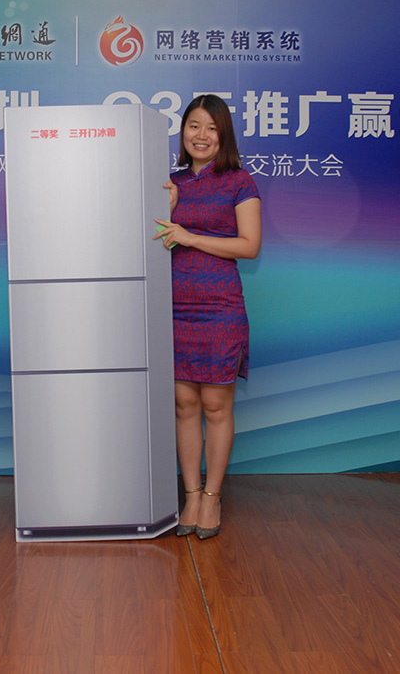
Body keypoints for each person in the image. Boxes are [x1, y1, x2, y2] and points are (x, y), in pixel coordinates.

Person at [153, 94, 262, 540]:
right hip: (173, 307)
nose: (201, 135)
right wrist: (166, 207)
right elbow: (145, 240)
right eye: (193, 126)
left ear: (224, 135)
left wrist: (190, 236)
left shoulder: (239, 181)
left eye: (211, 128)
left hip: (219, 308)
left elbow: (249, 245)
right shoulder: (170, 183)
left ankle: (213, 497)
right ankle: (191, 495)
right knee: (184, 406)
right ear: (183, 132)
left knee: (216, 406)